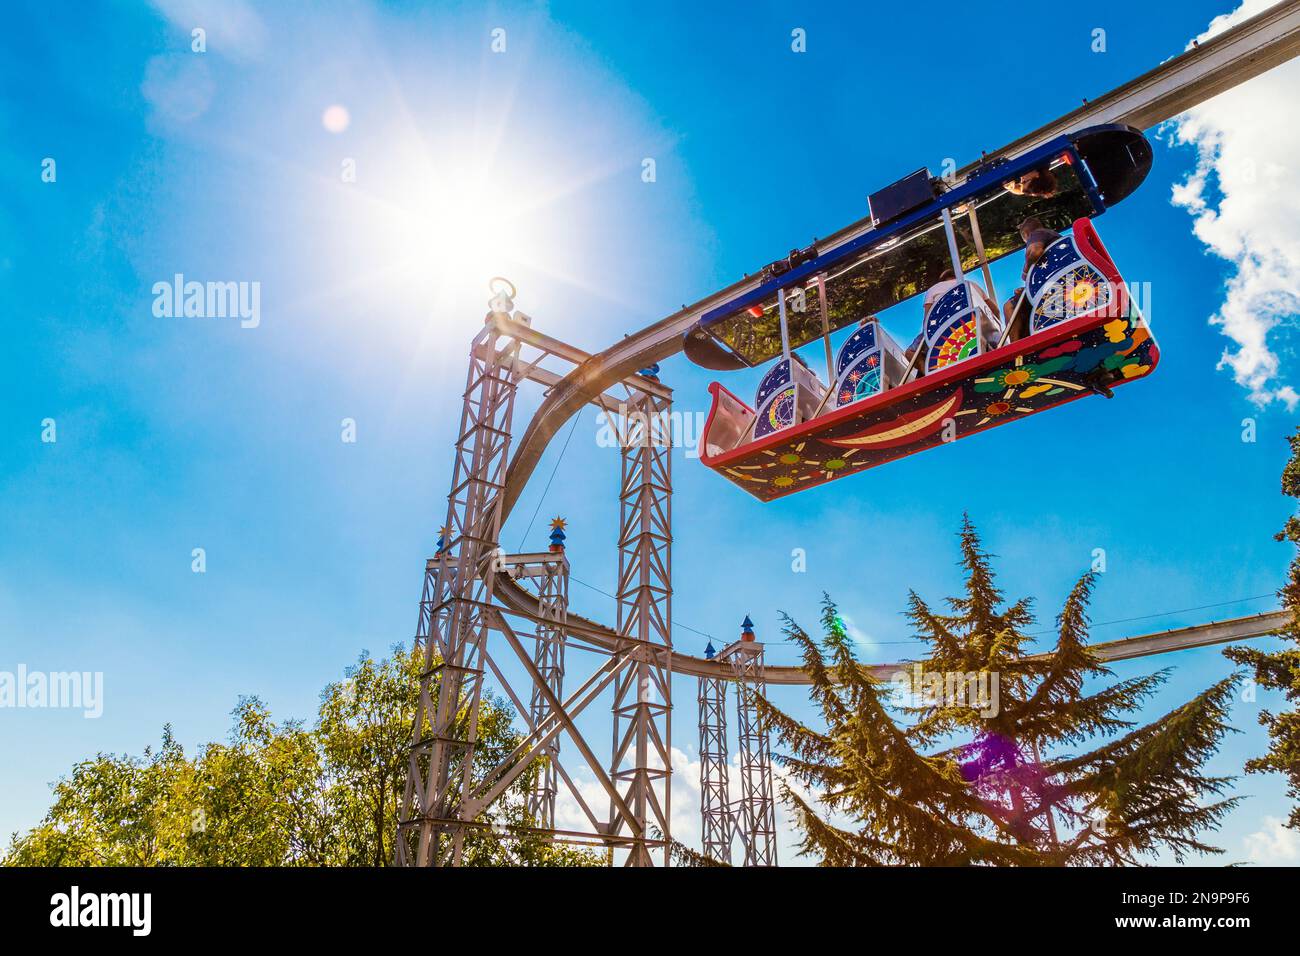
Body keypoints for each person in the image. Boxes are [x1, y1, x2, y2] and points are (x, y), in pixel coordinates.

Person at [904, 269, 998, 374]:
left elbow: (927, 318)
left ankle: (928, 373)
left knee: (910, 352)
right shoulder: (971, 284)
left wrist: (927, 337)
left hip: (943, 331)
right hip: (976, 325)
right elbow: (996, 311)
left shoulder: (933, 289)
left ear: (942, 280)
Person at [1001, 216, 1063, 340]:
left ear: (1026, 234)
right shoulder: (1055, 236)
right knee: (1021, 295)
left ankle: (1017, 347)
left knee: (1009, 305)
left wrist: (1026, 270)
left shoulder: (1036, 234)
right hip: (1060, 280)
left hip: (1049, 288)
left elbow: (1035, 252)